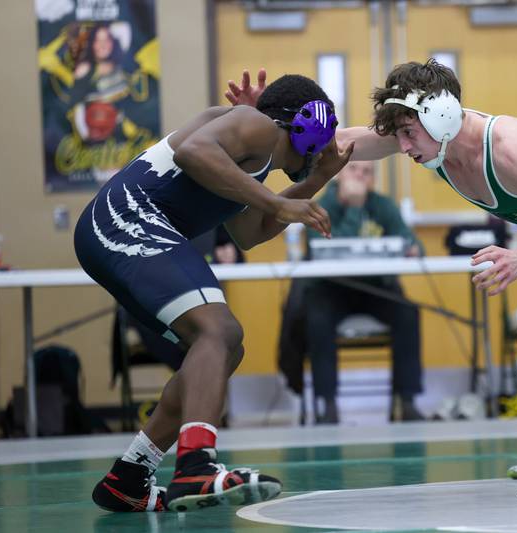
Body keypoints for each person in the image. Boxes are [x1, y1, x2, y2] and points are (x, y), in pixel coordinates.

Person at [226, 61, 517, 483]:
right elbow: (340, 142)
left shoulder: (510, 147)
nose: (402, 148)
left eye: (407, 133)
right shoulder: (429, 138)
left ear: (440, 114)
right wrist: (265, 126)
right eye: (398, 135)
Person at [76, 73, 353, 512]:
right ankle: (196, 467)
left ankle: (129, 476)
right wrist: (281, 201)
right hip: (126, 219)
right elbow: (192, 152)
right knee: (218, 330)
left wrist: (316, 179)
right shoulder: (255, 125)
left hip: (120, 230)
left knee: (225, 347)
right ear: (310, 125)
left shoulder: (250, 155)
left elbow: (251, 232)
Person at [303, 159, 425, 424]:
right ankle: (328, 404)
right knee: (317, 319)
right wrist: (355, 209)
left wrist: (412, 247)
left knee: (407, 313)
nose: (360, 176)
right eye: (353, 169)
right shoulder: (321, 207)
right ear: (339, 175)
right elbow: (325, 247)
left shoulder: (383, 205)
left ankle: (407, 401)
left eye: (366, 172)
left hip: (376, 287)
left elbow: (411, 241)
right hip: (332, 288)